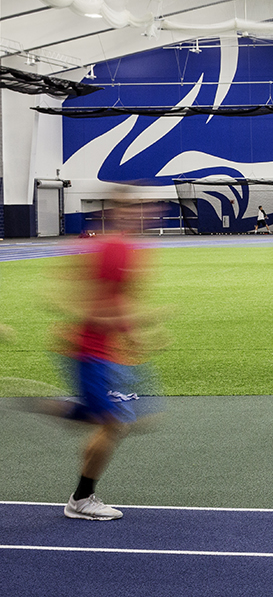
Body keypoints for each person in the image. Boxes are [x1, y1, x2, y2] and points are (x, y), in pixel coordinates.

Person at [45, 201, 165, 520]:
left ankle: (72, 410)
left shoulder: (122, 249)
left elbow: (116, 299)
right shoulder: (114, 248)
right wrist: (135, 324)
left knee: (125, 421)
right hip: (91, 352)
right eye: (140, 210)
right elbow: (88, 301)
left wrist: (135, 332)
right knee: (116, 423)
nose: (147, 215)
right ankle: (81, 499)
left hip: (103, 353)